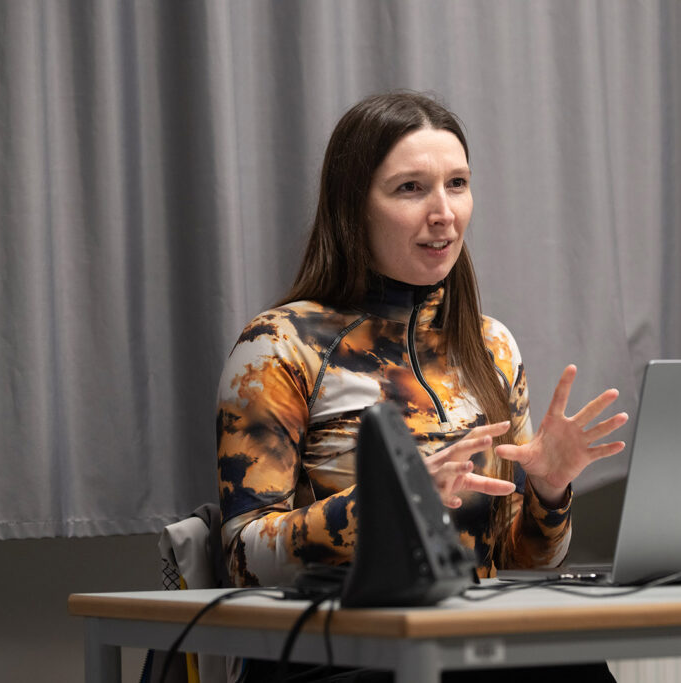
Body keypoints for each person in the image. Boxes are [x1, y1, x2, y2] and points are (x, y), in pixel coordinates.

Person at [216, 91, 627, 681]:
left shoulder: (491, 345)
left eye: (457, 184)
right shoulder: (280, 343)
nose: (444, 213)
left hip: (470, 642)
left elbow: (523, 563)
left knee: (570, 659)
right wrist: (391, 503)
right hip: (334, 651)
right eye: (410, 188)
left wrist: (548, 491)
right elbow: (241, 559)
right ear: (353, 207)